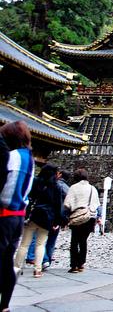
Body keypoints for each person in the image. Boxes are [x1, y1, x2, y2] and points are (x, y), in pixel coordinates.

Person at [0, 121, 35, 312]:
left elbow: (7, 186)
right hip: (19, 216)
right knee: (7, 261)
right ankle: (4, 304)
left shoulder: (12, 157)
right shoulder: (29, 158)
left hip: (5, 213)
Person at [14, 164, 65, 277]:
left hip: (34, 215)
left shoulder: (35, 182)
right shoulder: (56, 186)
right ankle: (37, 269)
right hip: (47, 218)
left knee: (24, 244)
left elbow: (28, 197)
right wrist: (57, 221)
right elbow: (58, 206)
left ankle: (17, 267)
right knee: (40, 244)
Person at [26, 168, 70, 269]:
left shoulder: (52, 185)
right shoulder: (67, 188)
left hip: (44, 214)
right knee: (51, 240)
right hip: (56, 215)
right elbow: (62, 205)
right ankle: (47, 259)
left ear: (59, 175)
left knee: (38, 238)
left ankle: (36, 257)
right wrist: (62, 220)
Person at [64, 168, 100, 273]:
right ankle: (81, 263)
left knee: (74, 241)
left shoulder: (73, 188)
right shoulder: (93, 188)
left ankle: (74, 265)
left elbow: (67, 203)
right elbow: (97, 204)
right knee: (83, 240)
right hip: (89, 217)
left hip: (77, 216)